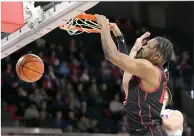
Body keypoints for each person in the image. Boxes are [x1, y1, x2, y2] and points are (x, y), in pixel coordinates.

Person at [95, 14, 173, 136]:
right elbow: (126, 73)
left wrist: (103, 26)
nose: (143, 46)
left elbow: (112, 55)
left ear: (156, 55)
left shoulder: (150, 69)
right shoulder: (146, 72)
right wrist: (120, 38)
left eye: (148, 46)